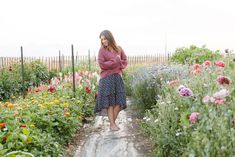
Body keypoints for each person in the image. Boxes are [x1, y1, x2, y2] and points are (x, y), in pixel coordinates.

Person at [94, 30, 128, 131]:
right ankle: (112, 124)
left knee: (120, 102)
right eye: (102, 40)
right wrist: (114, 61)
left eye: (105, 39)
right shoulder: (101, 51)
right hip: (106, 78)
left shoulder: (119, 49)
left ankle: (112, 123)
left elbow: (125, 61)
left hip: (117, 77)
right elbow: (102, 65)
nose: (103, 41)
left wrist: (119, 63)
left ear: (110, 38)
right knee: (110, 103)